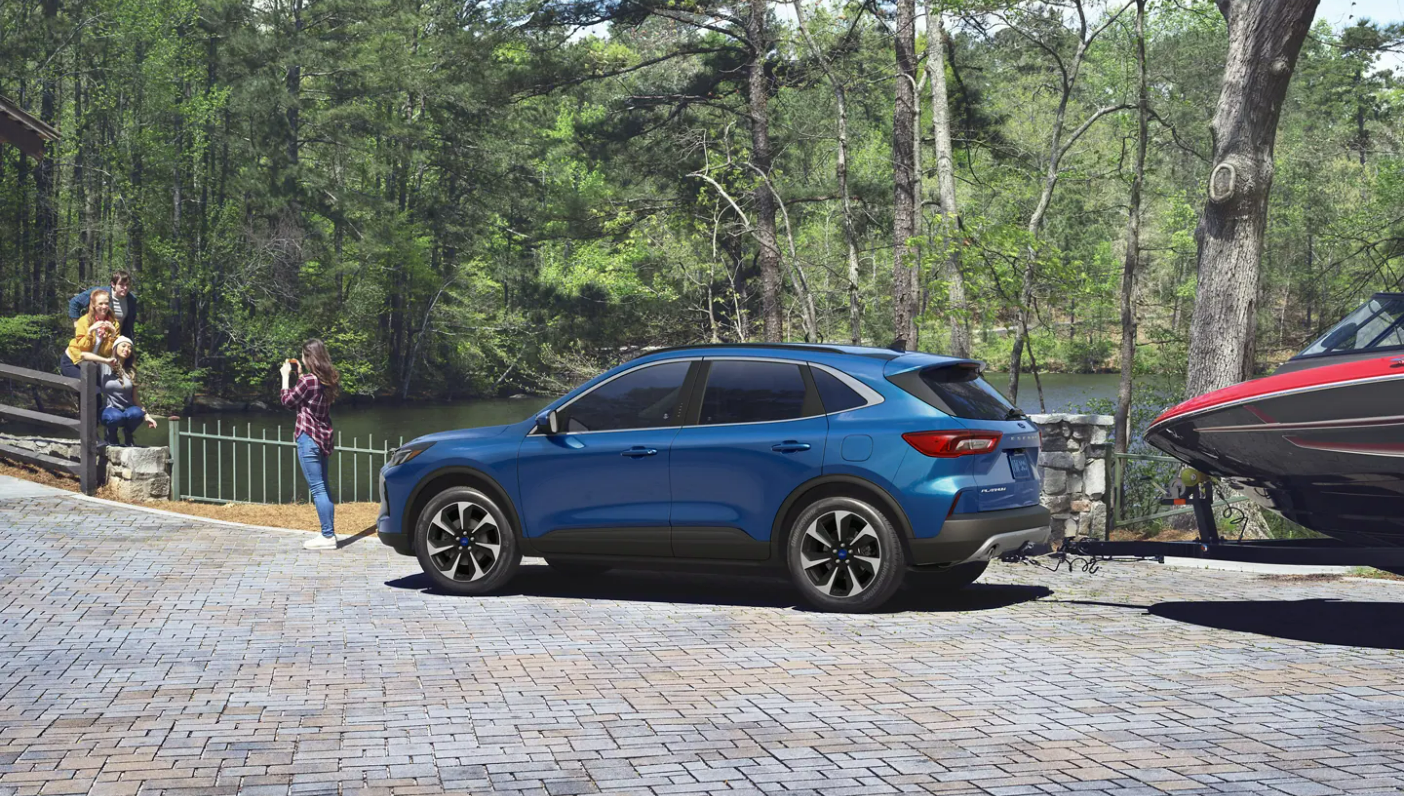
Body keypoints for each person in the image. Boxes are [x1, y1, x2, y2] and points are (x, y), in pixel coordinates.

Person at [281, 339, 341, 550]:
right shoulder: (329, 379)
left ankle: (327, 536)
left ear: (309, 357)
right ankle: (329, 533)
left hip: (308, 437)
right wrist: (298, 376)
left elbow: (288, 401)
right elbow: (308, 396)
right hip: (323, 437)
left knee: (317, 489)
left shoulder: (307, 380)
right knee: (323, 487)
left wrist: (284, 377)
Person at [100, 336, 159, 447]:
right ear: (115, 348)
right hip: (109, 410)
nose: (127, 349)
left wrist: (147, 416)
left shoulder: (131, 372)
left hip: (127, 410)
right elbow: (88, 357)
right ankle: (111, 435)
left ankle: (128, 434)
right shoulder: (104, 366)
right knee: (116, 417)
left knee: (137, 413)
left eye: (129, 347)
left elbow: (136, 398)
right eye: (123, 346)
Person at [62, 288, 119, 381]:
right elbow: (83, 350)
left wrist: (112, 335)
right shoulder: (84, 321)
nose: (104, 307)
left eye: (106, 303)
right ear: (93, 305)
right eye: (100, 303)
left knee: (97, 393)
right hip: (73, 361)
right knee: (90, 391)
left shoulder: (114, 324)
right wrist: (90, 331)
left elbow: (106, 353)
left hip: (91, 364)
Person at [69, 271, 138, 340]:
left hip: (117, 338)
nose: (125, 288)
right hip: (94, 336)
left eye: (127, 285)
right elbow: (74, 302)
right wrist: (77, 324)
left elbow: (129, 324)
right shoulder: (100, 293)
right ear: (113, 284)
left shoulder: (131, 299)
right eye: (121, 285)